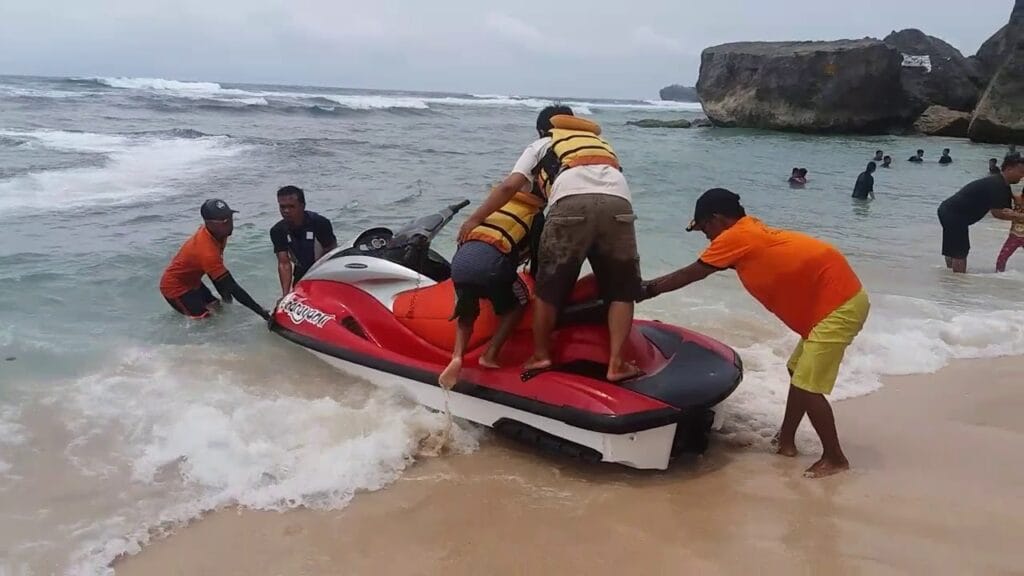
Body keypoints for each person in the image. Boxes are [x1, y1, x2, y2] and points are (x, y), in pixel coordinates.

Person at [638, 188, 869, 478]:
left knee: (809, 386)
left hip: (838, 305)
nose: (706, 236)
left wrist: (645, 290)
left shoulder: (736, 237)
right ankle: (786, 441)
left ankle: (835, 458)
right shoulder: (748, 231)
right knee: (797, 369)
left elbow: (692, 273)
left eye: (705, 228)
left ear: (718, 218)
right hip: (834, 301)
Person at [457, 105, 642, 382]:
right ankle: (617, 363)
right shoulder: (601, 144)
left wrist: (473, 220)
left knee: (548, 287)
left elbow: (510, 186)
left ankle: (541, 355)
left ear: (545, 129)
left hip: (570, 204)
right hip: (619, 204)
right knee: (621, 290)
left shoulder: (543, 143)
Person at [438, 179, 544, 388]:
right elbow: (537, 254)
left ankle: (457, 356)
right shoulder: (535, 215)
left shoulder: (494, 205)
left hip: (460, 265)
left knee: (466, 310)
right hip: (493, 268)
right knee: (519, 303)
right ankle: (490, 354)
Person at [160, 199, 270, 320]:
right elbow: (232, 286)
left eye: (230, 218)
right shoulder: (207, 251)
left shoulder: (220, 234)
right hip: (175, 288)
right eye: (224, 221)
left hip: (193, 281)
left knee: (218, 307)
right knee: (205, 320)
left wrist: (227, 301)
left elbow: (218, 278)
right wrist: (262, 313)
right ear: (208, 224)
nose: (229, 224)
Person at [937, 156, 1024, 273]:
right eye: (1021, 172)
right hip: (955, 214)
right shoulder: (998, 185)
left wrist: (1014, 213)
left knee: (953, 249)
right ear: (1009, 169)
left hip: (947, 210)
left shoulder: (1001, 184)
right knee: (960, 252)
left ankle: (950, 280)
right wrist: (1019, 217)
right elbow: (998, 214)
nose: (1022, 176)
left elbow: (1008, 209)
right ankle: (958, 284)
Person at [270, 185, 338, 296]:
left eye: (291, 206)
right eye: (282, 207)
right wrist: (285, 295)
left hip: (324, 271)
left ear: (302, 206)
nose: (286, 211)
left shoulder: (320, 223)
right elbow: (284, 264)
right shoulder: (277, 230)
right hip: (301, 272)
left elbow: (331, 252)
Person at [996, 199, 1024, 272]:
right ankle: (999, 277)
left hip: (1016, 235)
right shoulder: (1018, 199)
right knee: (1001, 259)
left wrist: (1014, 214)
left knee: (1001, 259)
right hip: (1014, 236)